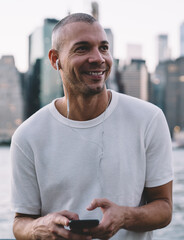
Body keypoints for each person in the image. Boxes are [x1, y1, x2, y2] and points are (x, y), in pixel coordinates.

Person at [11, 13, 173, 240]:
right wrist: (40, 228)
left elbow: (164, 208)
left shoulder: (149, 119)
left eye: (104, 48)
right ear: (55, 58)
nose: (98, 58)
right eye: (82, 48)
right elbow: (20, 222)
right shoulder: (27, 136)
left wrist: (124, 216)